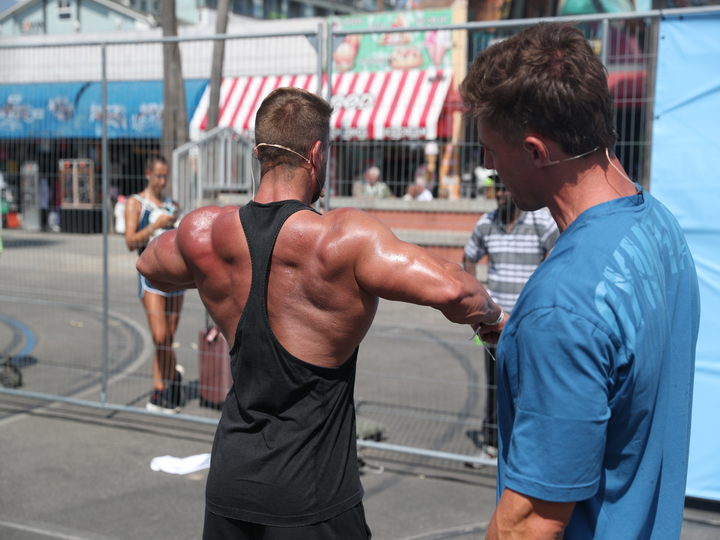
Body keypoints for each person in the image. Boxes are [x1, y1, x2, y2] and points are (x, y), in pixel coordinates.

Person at [136, 87, 503, 539]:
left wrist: (211, 272)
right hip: (312, 499)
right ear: (316, 153)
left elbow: (150, 264)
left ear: (259, 153)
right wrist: (495, 320)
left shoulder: (205, 232)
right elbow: (458, 292)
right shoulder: (340, 240)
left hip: (232, 486)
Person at [461, 22, 700, 539]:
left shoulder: (563, 303)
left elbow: (528, 524)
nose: (488, 165)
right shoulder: (659, 225)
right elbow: (611, 373)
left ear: (534, 151)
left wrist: (537, 325)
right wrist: (502, 325)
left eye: (491, 150)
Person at [463, 176, 558, 461]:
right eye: (497, 189)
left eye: (505, 187)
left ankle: (526, 447)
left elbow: (558, 255)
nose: (501, 194)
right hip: (492, 322)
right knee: (494, 382)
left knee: (532, 382)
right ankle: (492, 443)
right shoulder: (485, 223)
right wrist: (476, 300)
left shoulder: (540, 222)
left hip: (530, 321)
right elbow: (468, 257)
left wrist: (541, 298)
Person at [124, 154, 185, 414]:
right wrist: (156, 226)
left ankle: (160, 391)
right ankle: (172, 379)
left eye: (165, 176)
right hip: (149, 276)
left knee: (168, 337)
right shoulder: (135, 204)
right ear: (148, 173)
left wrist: (174, 223)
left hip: (175, 276)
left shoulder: (172, 204)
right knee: (159, 336)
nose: (162, 181)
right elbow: (130, 241)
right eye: (158, 176)